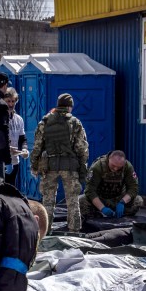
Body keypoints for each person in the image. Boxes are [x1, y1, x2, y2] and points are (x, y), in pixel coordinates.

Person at [30, 93, 88, 233]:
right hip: (70, 167)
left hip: (49, 166)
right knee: (72, 201)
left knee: (48, 202)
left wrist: (34, 165)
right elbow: (82, 148)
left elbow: (37, 146)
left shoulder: (44, 121)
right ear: (69, 107)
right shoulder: (75, 122)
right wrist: (82, 168)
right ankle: (74, 232)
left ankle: (45, 231)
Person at [79, 150, 143, 221]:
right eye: (113, 166)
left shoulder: (127, 167)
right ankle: (95, 216)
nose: (115, 169)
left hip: (118, 199)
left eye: (119, 168)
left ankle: (120, 215)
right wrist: (102, 208)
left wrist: (122, 202)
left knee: (138, 200)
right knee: (82, 201)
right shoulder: (97, 167)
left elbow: (133, 187)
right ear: (108, 159)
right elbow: (90, 190)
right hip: (100, 198)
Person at [3, 87, 29, 190]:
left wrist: (24, 149)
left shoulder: (19, 119)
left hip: (14, 161)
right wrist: (7, 148)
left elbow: (23, 138)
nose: (10, 104)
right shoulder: (1, 118)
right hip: (2, 161)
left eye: (13, 101)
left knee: (12, 188)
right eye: (8, 101)